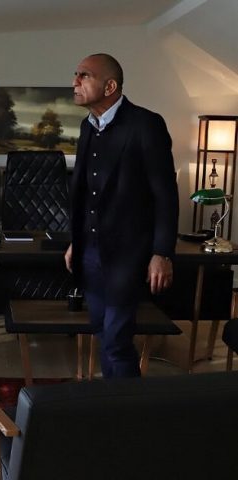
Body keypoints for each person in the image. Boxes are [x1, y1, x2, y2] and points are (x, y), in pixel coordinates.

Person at [64, 53, 179, 379]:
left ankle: (129, 407)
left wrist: (162, 253)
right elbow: (84, 191)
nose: (74, 82)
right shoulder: (87, 126)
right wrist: (76, 242)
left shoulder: (146, 124)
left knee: (116, 340)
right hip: (90, 253)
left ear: (110, 86)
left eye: (84, 75)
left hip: (128, 255)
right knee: (103, 332)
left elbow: (165, 195)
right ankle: (112, 400)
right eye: (76, 74)